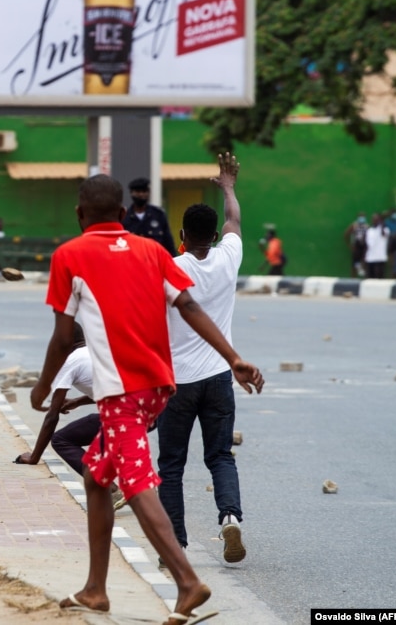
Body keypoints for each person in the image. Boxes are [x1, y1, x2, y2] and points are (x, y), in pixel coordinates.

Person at [30, 173, 263, 622]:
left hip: (122, 390)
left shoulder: (69, 255)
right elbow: (190, 306)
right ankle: (96, 589)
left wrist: (43, 386)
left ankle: (187, 580)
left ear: (79, 216)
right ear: (122, 215)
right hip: (159, 386)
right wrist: (233, 357)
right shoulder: (152, 250)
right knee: (98, 477)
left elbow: (63, 338)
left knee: (138, 482)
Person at [159, 152, 248, 566]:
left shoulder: (170, 268)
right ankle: (229, 517)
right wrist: (228, 186)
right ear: (214, 235)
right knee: (220, 457)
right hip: (218, 379)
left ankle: (175, 545)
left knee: (172, 465)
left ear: (182, 233)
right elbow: (235, 221)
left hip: (177, 384)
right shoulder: (229, 258)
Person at [14, 325, 128, 511]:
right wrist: (77, 402)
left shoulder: (69, 362)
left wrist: (34, 457)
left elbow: (52, 416)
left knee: (62, 440)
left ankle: (111, 489)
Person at [122, 177, 177, 256]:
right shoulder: (124, 216)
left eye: (144, 191)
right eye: (138, 192)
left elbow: (168, 243)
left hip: (155, 261)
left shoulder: (158, 215)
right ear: (131, 193)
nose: (141, 195)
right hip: (132, 261)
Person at [364, 213, 389, 279]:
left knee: (379, 278)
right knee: (369, 278)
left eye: (377, 219)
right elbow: (368, 244)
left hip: (380, 258)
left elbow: (384, 235)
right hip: (370, 258)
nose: (375, 221)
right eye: (374, 219)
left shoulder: (385, 230)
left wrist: (382, 224)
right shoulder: (369, 231)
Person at [344, 213, 369, 277]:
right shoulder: (354, 225)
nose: (362, 218)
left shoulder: (366, 226)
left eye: (363, 217)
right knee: (354, 265)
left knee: (365, 264)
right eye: (360, 217)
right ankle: (353, 280)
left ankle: (364, 279)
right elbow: (346, 234)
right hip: (356, 247)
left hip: (364, 247)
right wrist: (349, 245)